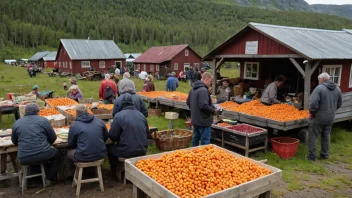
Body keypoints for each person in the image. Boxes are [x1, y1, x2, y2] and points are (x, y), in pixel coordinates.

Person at [11, 104, 61, 184]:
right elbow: (53, 138)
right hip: (42, 153)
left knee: (35, 153)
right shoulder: (43, 120)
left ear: (25, 112)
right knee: (57, 153)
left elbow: (14, 141)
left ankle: (34, 178)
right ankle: (49, 178)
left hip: (23, 157)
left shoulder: (17, 123)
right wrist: (46, 143)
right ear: (38, 112)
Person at [108, 93, 150, 177]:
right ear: (132, 103)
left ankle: (114, 172)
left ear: (122, 104)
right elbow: (147, 134)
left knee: (109, 148)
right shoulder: (141, 115)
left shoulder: (119, 116)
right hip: (142, 149)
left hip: (126, 151)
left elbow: (113, 137)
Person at [308, 73, 342, 161]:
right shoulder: (337, 88)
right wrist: (332, 111)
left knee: (313, 136)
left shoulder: (319, 88)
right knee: (326, 135)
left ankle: (312, 156)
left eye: (319, 79)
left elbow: (312, 104)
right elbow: (339, 104)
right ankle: (325, 155)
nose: (318, 81)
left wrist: (313, 113)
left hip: (319, 117)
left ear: (322, 79)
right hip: (331, 117)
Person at [186, 72, 218, 146]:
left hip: (195, 119)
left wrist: (194, 109)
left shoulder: (192, 89)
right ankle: (204, 156)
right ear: (206, 79)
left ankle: (194, 154)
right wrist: (213, 111)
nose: (211, 84)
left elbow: (188, 102)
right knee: (205, 141)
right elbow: (203, 105)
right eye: (210, 82)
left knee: (195, 139)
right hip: (203, 120)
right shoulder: (203, 90)